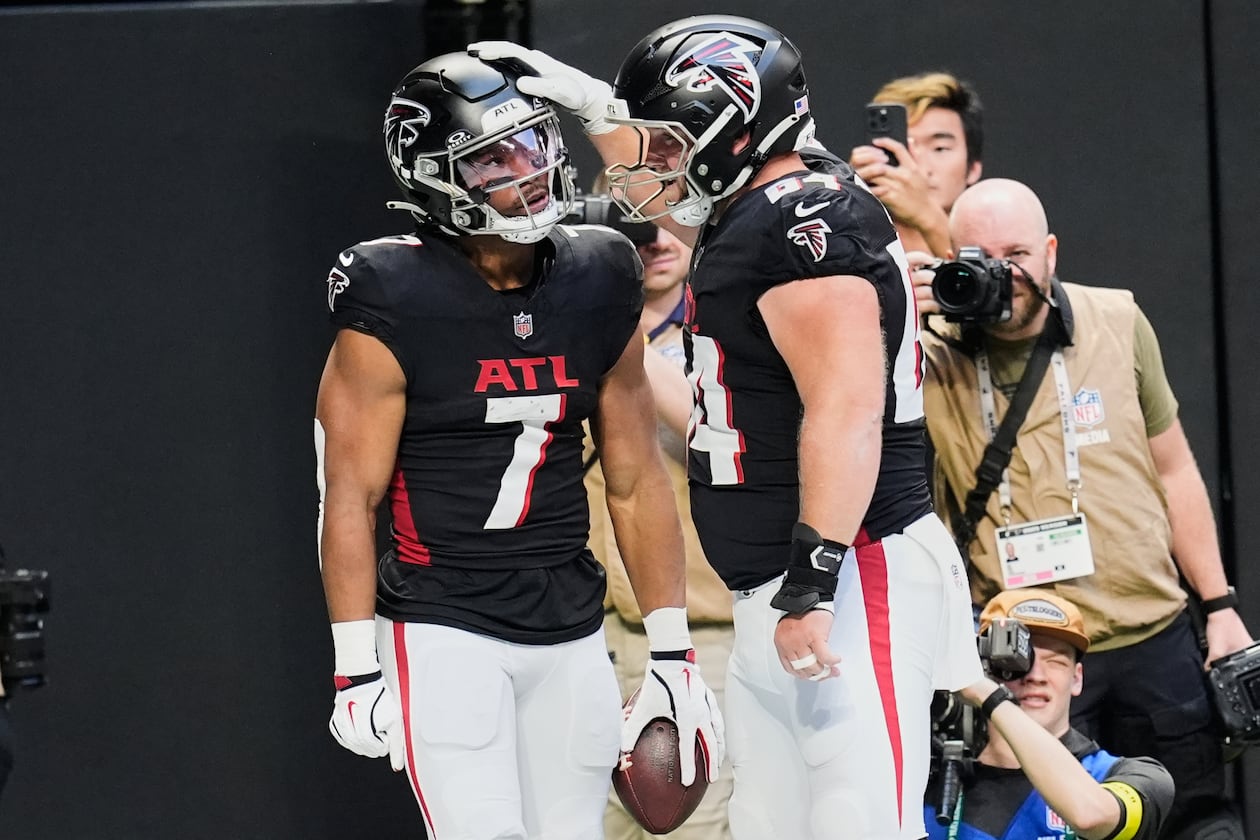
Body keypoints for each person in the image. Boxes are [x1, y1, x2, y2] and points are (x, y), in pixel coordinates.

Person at [471, 15, 983, 839]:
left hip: (853, 572)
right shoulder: (760, 204)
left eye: (672, 139)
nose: (652, 162)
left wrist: (813, 583)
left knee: (862, 821)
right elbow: (661, 182)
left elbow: (847, 414)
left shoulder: (807, 222)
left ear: (731, 128)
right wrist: (591, 103)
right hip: (778, 586)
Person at [313, 51, 722, 839]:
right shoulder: (393, 293)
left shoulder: (601, 271)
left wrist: (671, 652)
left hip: (569, 617)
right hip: (442, 621)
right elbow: (350, 497)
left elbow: (636, 481)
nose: (528, 172)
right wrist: (354, 660)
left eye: (534, 144)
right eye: (494, 159)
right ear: (436, 179)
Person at [917, 177, 1250, 839]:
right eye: (977, 255)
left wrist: (1218, 606)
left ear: (1051, 251)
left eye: (1015, 252)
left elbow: (1174, 467)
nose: (1000, 272)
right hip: (1028, 655)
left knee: (1190, 818)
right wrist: (891, 309)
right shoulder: (931, 353)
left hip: (1148, 637)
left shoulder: (1118, 320)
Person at [584, 219, 736, 840]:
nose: (658, 239)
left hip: (702, 633)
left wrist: (614, 329)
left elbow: (712, 431)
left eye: (677, 223)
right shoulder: (559, 332)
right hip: (586, 634)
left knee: (690, 829)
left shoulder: (723, 325)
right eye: (634, 228)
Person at [926, 589, 1175, 839]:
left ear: (1077, 678)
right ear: (981, 667)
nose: (1035, 676)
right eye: (1014, 659)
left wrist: (991, 699)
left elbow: (1091, 816)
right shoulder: (927, 781)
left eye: (1055, 661)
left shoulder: (1136, 776)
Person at [849, 72, 983, 261]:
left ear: (973, 168)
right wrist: (846, 197)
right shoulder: (853, 241)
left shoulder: (1000, 239)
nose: (917, 167)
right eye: (904, 147)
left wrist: (927, 216)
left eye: (939, 148)